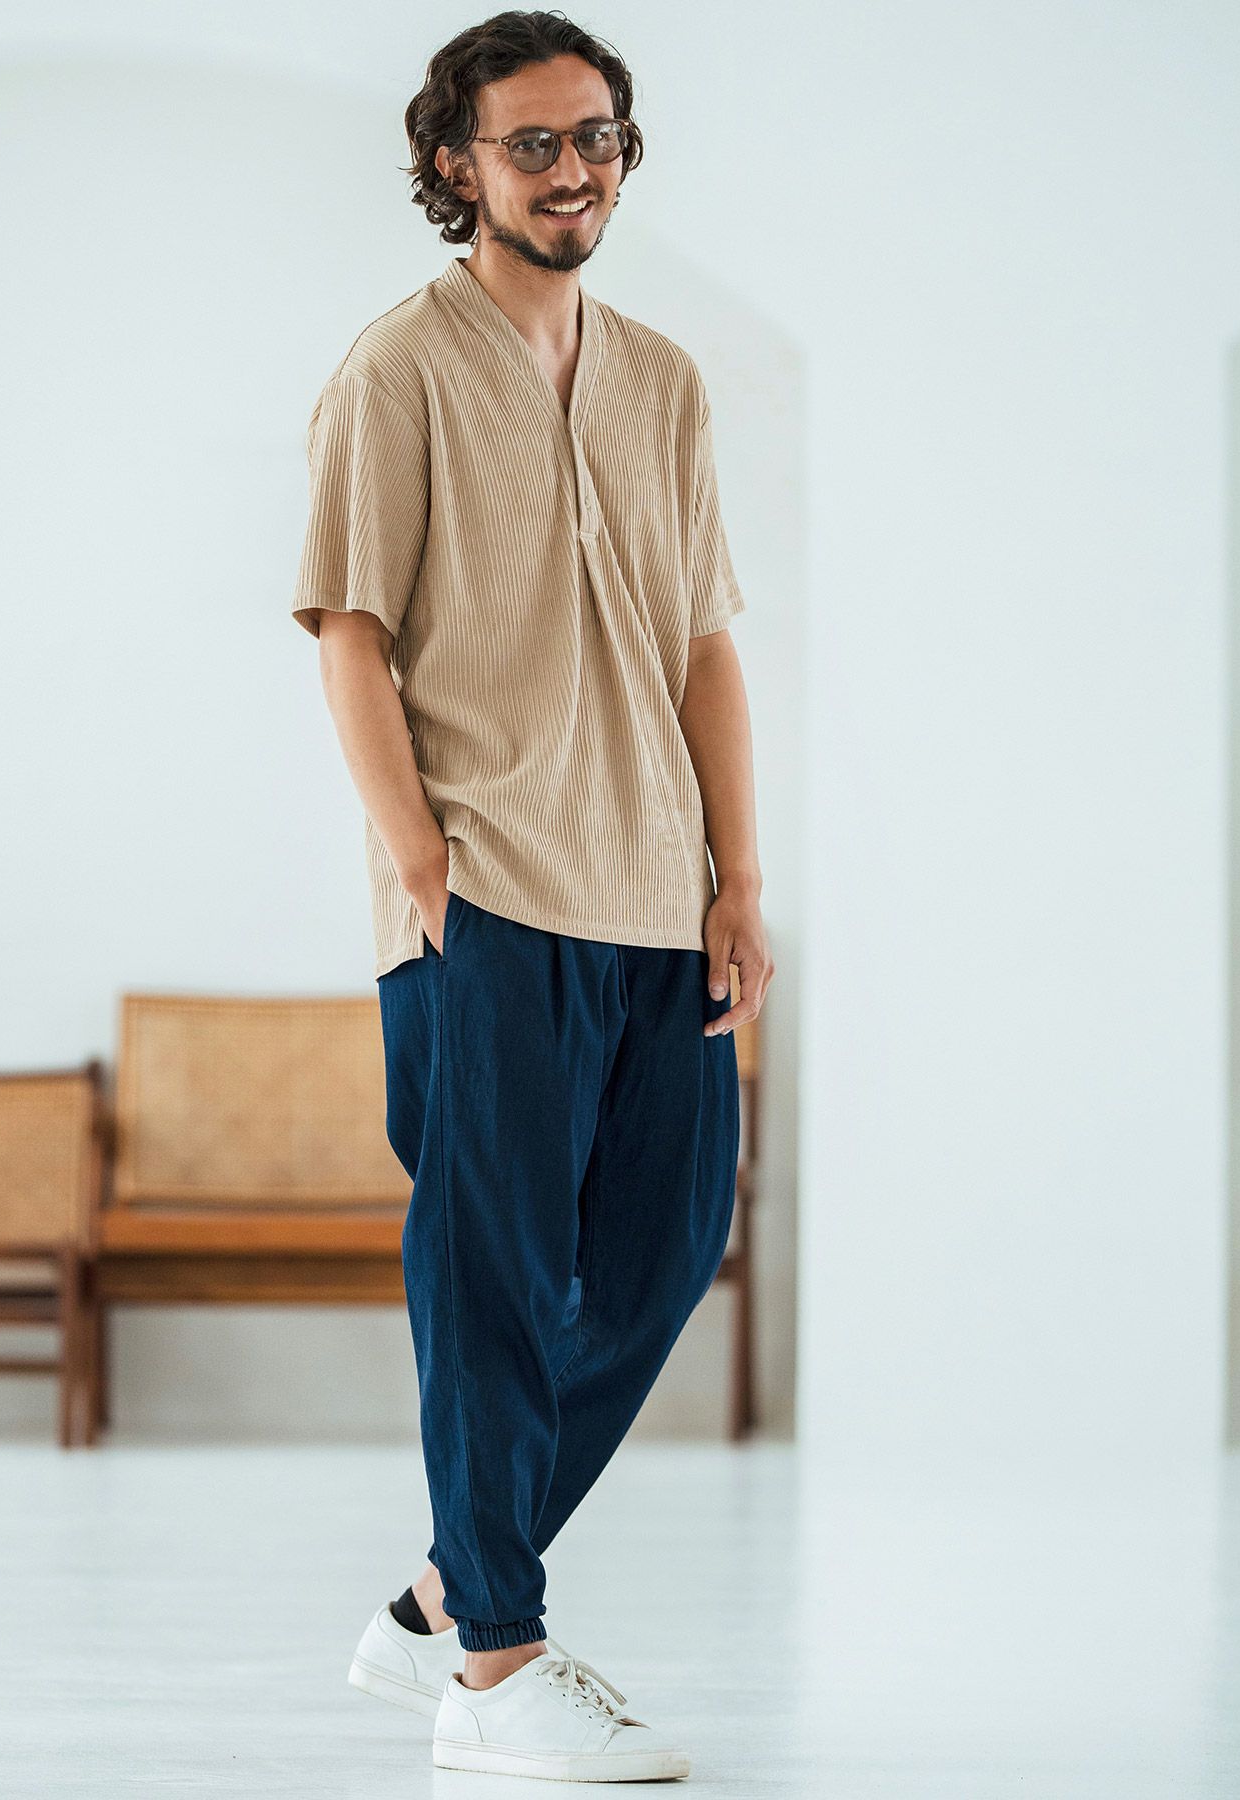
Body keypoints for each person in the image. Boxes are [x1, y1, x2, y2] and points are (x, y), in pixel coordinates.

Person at [292, 9, 772, 1782]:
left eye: (599, 139)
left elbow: (704, 643)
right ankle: (497, 1666)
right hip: (488, 892)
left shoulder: (664, 381)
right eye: (536, 144)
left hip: (659, 890)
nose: (577, 172)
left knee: (660, 1256)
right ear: (458, 164)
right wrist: (425, 866)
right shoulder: (397, 370)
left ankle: (440, 1593)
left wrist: (739, 876)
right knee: (490, 1279)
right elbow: (351, 634)